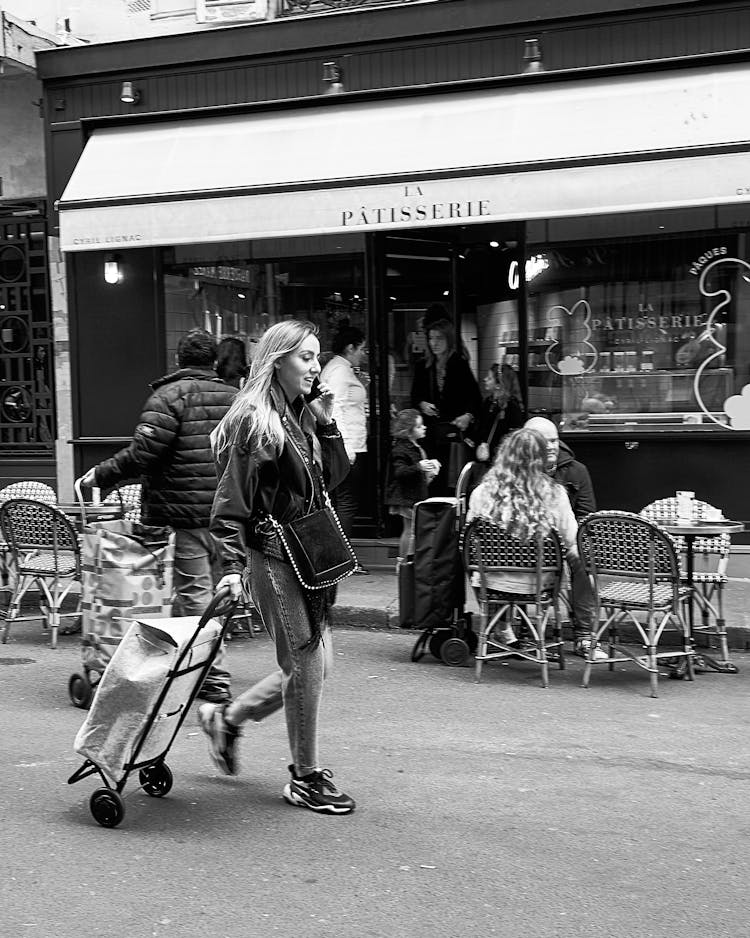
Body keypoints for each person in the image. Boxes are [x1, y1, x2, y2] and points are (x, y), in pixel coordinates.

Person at [198, 319, 356, 815]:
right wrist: (230, 566)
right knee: (307, 660)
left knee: (316, 662)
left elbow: (333, 478)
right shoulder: (256, 419)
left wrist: (327, 419)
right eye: (306, 357)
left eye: (317, 356)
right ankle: (304, 777)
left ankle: (226, 719)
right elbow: (229, 505)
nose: (315, 367)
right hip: (271, 556)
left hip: (304, 555)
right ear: (277, 361)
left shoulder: (300, 414)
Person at [80, 330, 238, 681]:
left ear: (178, 361)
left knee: (196, 595)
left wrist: (101, 476)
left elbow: (143, 453)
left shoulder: (169, 397)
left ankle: (212, 675)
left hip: (183, 515)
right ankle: (201, 662)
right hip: (229, 516)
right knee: (218, 592)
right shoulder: (238, 399)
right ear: (214, 361)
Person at [467, 427, 604, 658]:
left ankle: (500, 626)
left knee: (475, 556)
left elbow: (471, 540)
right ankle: (585, 635)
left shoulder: (481, 493)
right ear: (540, 458)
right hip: (538, 585)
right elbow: (572, 538)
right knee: (580, 554)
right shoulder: (554, 494)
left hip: (491, 583)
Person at [411, 317, 481, 493]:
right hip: (429, 431)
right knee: (430, 477)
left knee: (451, 478)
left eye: (439, 338)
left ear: (448, 339)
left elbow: (474, 397)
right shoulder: (423, 365)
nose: (434, 343)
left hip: (452, 431)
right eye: (431, 338)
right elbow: (414, 396)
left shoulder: (459, 363)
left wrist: (468, 416)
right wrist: (422, 404)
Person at [320, 325, 368, 571]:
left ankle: (341, 556)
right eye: (361, 349)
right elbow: (334, 407)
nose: (363, 353)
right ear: (350, 348)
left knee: (344, 502)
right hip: (348, 445)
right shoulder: (339, 370)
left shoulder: (339, 368)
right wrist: (345, 446)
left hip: (348, 443)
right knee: (347, 502)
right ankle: (345, 558)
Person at [385, 408, 440, 562]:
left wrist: (429, 470)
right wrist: (420, 467)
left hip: (413, 493)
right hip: (406, 495)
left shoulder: (415, 446)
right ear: (408, 432)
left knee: (412, 529)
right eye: (419, 426)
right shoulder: (401, 449)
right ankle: (403, 562)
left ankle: (409, 560)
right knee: (410, 529)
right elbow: (400, 472)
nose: (424, 427)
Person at [523, 416, 596, 520]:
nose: (550, 447)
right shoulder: (512, 470)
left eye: (553, 441)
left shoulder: (577, 470)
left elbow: (585, 517)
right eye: (543, 442)